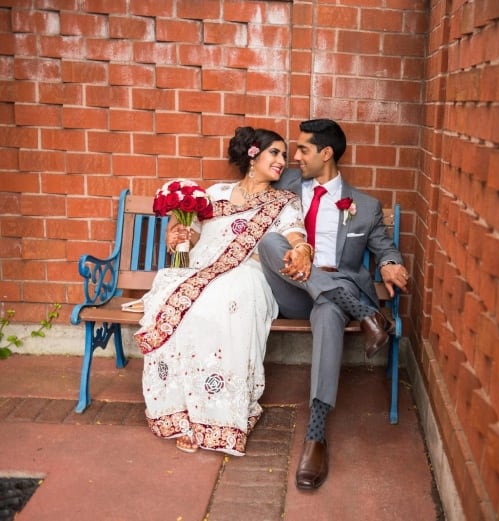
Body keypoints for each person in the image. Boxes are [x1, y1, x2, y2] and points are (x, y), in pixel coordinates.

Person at [133, 127, 312, 456]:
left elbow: (294, 235)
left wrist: (302, 250)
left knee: (225, 299)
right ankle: (184, 411)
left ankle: (217, 418)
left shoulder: (284, 202)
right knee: (184, 304)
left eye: (285, 155)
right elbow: (195, 238)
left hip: (249, 274)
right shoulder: (214, 194)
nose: (282, 161)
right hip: (202, 270)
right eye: (275, 152)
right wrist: (177, 238)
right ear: (253, 154)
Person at [258, 118, 410, 489]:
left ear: (326, 153)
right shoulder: (287, 186)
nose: (294, 158)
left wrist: (390, 263)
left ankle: (316, 434)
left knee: (328, 311)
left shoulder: (366, 206)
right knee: (269, 242)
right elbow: (243, 193)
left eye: (303, 150)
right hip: (293, 290)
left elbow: (383, 246)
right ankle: (367, 315)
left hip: (334, 290)